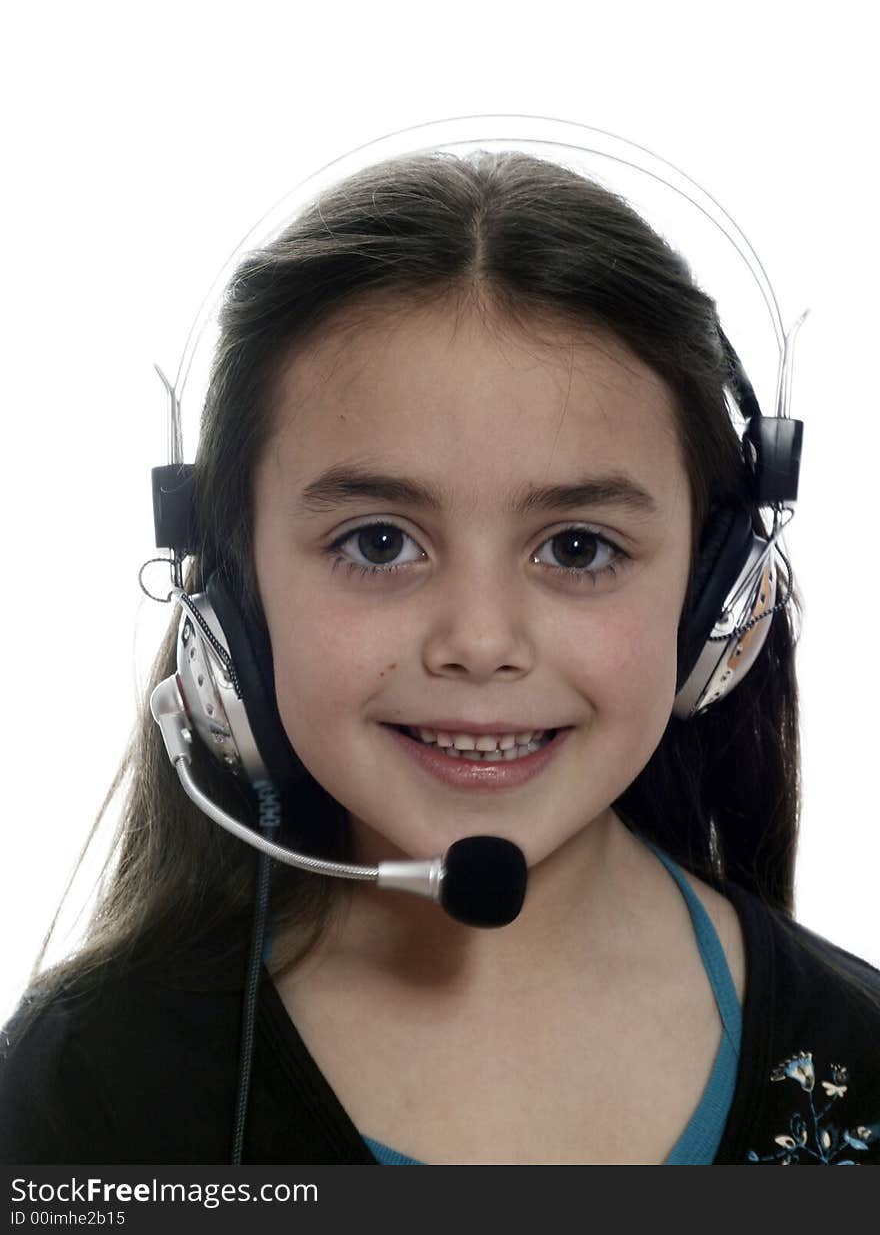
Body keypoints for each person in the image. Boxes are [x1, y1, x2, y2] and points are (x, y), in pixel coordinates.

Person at [1, 144, 878, 1167]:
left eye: (578, 548)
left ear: (716, 595)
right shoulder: (87, 1087)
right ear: (232, 594)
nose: (478, 641)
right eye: (378, 542)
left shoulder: (856, 1055)